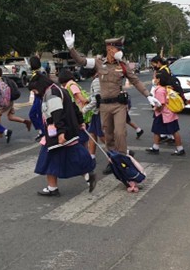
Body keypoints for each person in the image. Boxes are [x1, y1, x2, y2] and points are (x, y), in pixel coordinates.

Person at [64, 30, 160, 175]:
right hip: (104, 106)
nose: (120, 51)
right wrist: (71, 48)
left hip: (119, 105)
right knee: (108, 137)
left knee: (120, 133)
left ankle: (124, 163)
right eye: (117, 48)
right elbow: (81, 61)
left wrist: (148, 95)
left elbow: (135, 81)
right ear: (109, 49)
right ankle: (113, 161)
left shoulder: (123, 65)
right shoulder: (98, 63)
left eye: (120, 48)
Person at [28, 71, 96, 196]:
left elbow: (57, 114)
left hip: (56, 133)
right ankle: (87, 175)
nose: (35, 93)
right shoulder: (60, 90)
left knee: (48, 159)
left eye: (34, 90)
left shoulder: (51, 94)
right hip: (66, 131)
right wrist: (80, 121)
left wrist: (60, 133)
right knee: (71, 157)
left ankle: (53, 188)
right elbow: (74, 107)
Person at [146, 69, 184, 155]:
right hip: (169, 114)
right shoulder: (166, 88)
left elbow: (161, 104)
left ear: (159, 80)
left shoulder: (160, 90)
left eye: (155, 78)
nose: (154, 79)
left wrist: (156, 109)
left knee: (163, 130)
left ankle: (179, 149)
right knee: (164, 130)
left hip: (163, 114)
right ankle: (157, 147)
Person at [0, 67, 31, 136]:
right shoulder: (5, 79)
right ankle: (26, 121)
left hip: (5, 101)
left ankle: (0, 132)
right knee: (10, 116)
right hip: (10, 99)